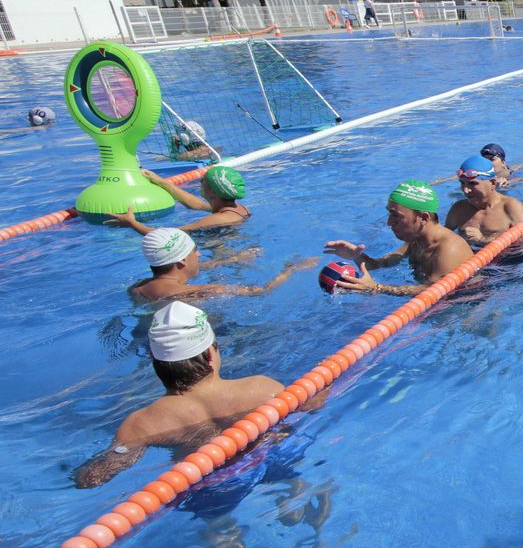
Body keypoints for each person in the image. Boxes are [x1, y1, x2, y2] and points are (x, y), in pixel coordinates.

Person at [74, 302, 286, 488]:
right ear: (211, 353)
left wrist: (84, 474)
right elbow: (313, 403)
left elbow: (94, 477)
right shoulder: (262, 388)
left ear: (153, 359)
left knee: (219, 528)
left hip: (210, 485)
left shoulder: (142, 424)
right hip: (272, 457)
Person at [323, 180, 474, 296]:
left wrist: (378, 288)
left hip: (466, 306)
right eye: (389, 213)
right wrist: (356, 256)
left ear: (423, 217)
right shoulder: (415, 240)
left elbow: (433, 292)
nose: (389, 222)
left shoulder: (449, 249)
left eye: (396, 216)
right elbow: (380, 264)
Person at [128, 227, 316, 302]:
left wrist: (233, 260)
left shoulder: (137, 288)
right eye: (195, 251)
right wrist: (292, 268)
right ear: (182, 260)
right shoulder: (202, 290)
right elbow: (261, 291)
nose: (199, 254)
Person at [112, 166, 252, 235]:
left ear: (213, 193)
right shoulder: (239, 209)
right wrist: (161, 181)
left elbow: (168, 235)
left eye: (204, 180)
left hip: (224, 259)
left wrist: (132, 223)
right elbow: (197, 204)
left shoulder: (216, 220)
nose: (200, 180)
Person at [444, 154, 523, 247]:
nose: (465, 190)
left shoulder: (511, 207)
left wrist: (483, 239)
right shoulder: (458, 209)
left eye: (473, 183)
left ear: (492, 183)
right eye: (462, 183)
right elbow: (443, 239)